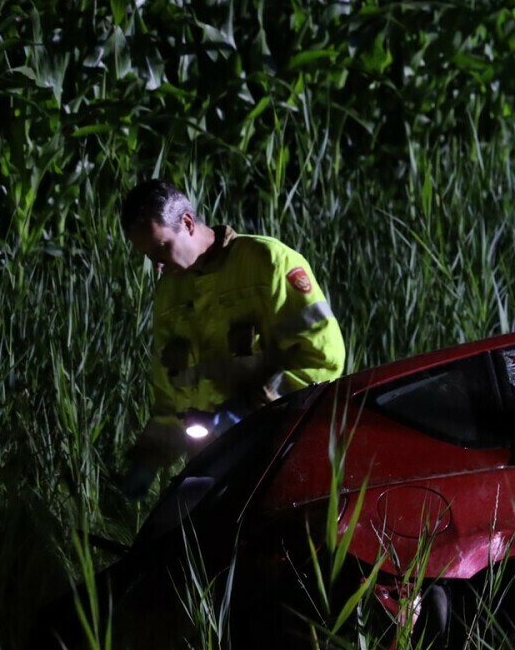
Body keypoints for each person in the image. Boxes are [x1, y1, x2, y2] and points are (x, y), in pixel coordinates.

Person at [117, 179, 346, 495]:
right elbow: (171, 398)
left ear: (187, 223)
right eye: (146, 255)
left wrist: (251, 408)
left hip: (279, 456)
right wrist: (147, 460)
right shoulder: (169, 294)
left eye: (160, 248)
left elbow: (323, 355)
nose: (156, 265)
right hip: (212, 467)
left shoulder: (267, 262)